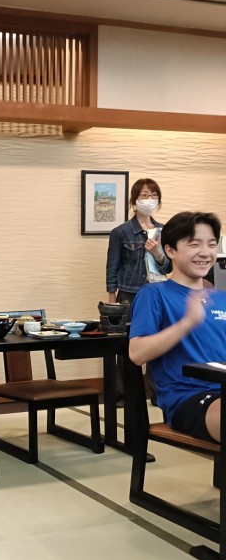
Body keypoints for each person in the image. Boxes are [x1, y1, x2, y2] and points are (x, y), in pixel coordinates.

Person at [129, 211, 225, 442]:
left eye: (212, 244)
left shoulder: (221, 298)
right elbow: (137, 353)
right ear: (170, 250)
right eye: (194, 244)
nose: (205, 252)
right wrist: (187, 323)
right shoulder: (154, 294)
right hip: (189, 398)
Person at [105, 177, 171, 400]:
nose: (149, 200)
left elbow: (169, 267)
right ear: (134, 200)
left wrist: (158, 253)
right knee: (126, 344)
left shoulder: (164, 231)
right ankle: (122, 395)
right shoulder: (121, 232)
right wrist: (111, 299)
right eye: (144, 195)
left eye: (154, 195)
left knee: (159, 343)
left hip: (158, 292)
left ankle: (158, 394)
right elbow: (112, 266)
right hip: (129, 294)